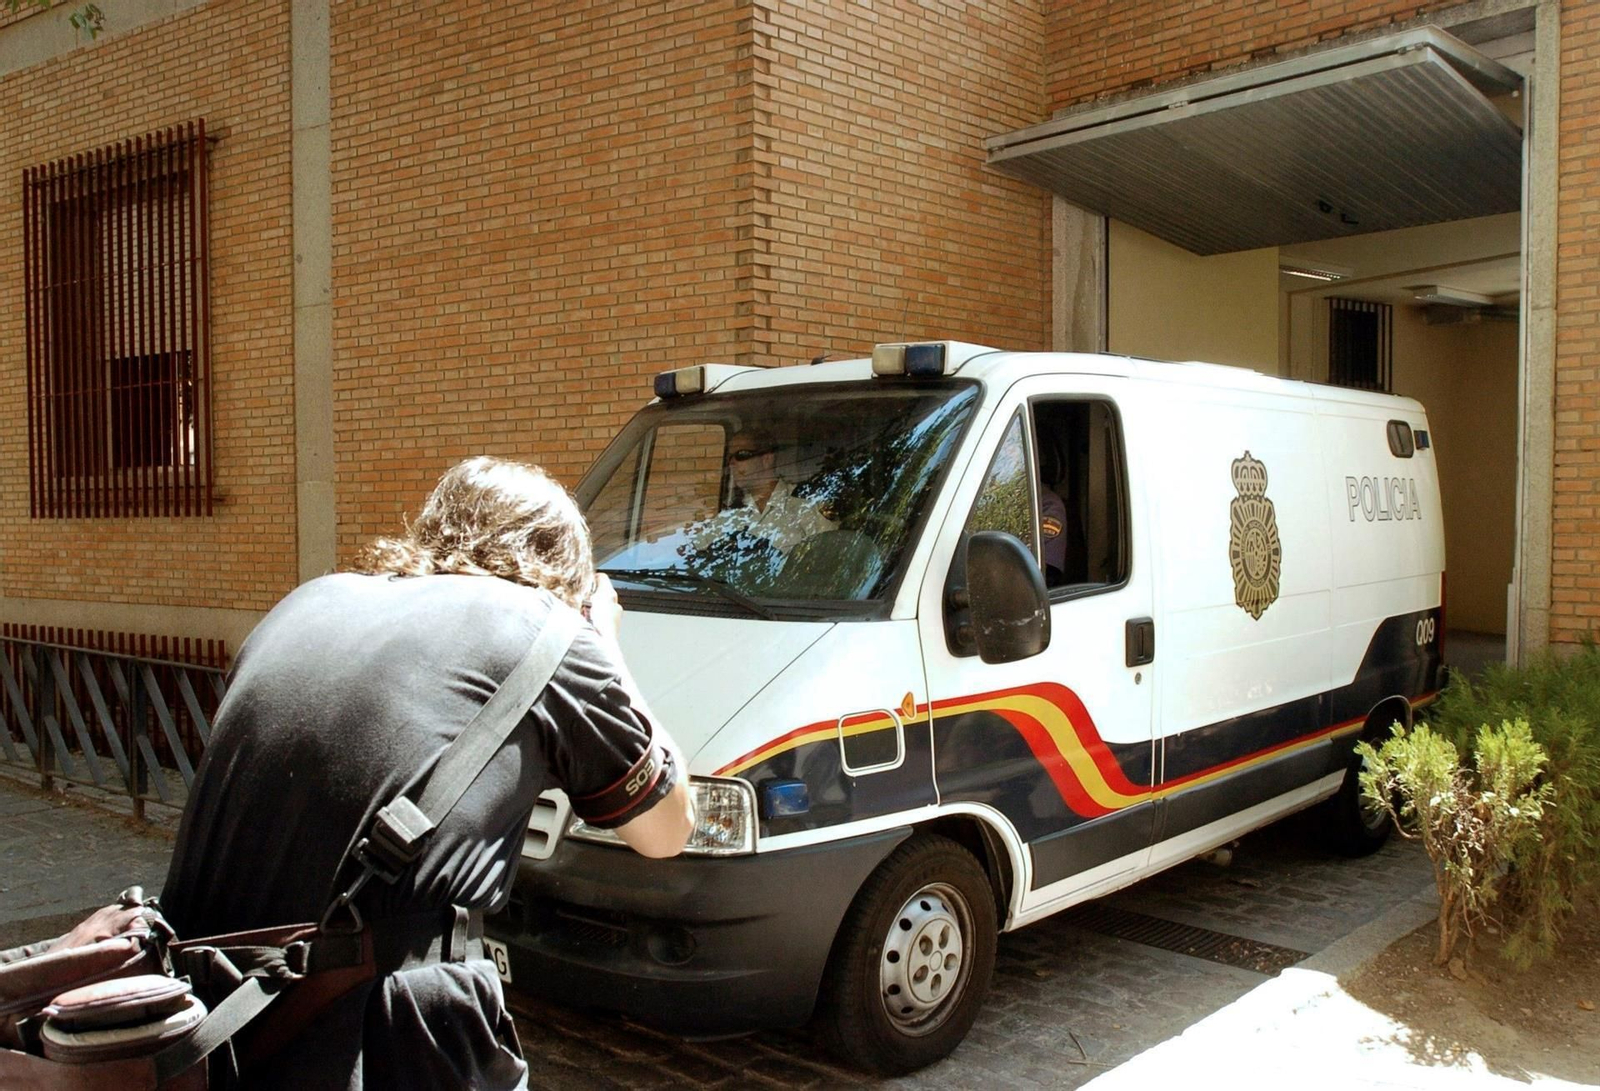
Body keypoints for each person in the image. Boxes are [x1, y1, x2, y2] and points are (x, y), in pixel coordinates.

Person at [160, 456, 695, 1090]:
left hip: (200, 1013)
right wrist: (603, 642)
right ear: (567, 572)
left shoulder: (308, 601)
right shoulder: (551, 634)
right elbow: (666, 828)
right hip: (381, 1034)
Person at [685, 428, 836, 558]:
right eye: (730, 457)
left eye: (741, 455)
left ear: (767, 459)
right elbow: (693, 554)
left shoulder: (805, 505)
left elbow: (829, 558)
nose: (732, 463)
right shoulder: (732, 515)